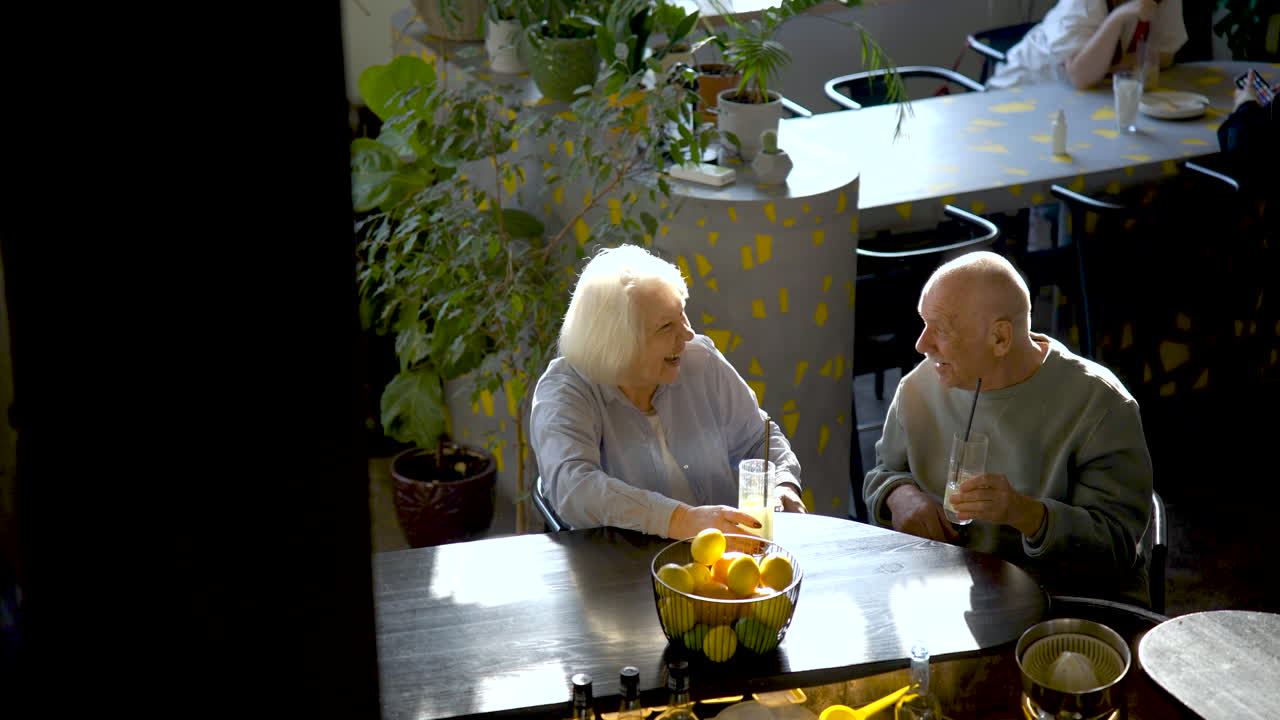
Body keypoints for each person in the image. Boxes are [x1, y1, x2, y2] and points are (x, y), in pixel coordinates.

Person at [863, 251, 1155, 606]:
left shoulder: (1100, 405)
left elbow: (1118, 544)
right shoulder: (917, 388)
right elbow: (883, 471)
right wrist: (899, 494)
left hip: (1071, 603)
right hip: (953, 594)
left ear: (1000, 338)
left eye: (939, 329)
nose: (921, 344)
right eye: (923, 324)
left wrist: (1025, 513)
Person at [530, 244, 806, 539]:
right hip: (620, 572)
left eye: (683, 314)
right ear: (618, 343)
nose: (687, 334)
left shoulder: (700, 359)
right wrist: (681, 520)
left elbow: (758, 439)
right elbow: (575, 489)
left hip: (725, 563)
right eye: (666, 326)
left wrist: (783, 482)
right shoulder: (564, 391)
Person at [985, 0, 1187, 90]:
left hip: (1083, 96)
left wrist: (1107, 64)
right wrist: (1118, 17)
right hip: (1022, 90)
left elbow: (1165, 55)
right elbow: (1081, 76)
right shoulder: (1083, 3)